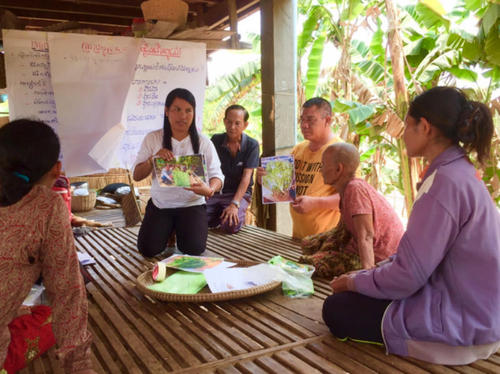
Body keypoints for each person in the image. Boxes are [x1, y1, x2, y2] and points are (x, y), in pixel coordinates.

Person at [324, 87, 500, 365]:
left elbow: (408, 277)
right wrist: (370, 275)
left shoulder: (442, 185)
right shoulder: (462, 172)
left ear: (425, 127)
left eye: (407, 124)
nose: (403, 132)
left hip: (460, 330)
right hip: (484, 318)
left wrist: (353, 281)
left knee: (336, 308)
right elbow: (418, 260)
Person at [0, 119, 94, 373]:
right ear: (57, 170)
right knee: (43, 318)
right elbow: (67, 292)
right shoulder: (47, 206)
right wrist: (79, 367)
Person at [133, 88, 224, 257]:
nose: (183, 116)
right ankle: (168, 231)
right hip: (161, 205)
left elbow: (217, 175)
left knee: (194, 249)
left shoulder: (204, 142)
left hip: (192, 205)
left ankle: (175, 231)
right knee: (148, 250)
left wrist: (209, 190)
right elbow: (137, 175)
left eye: (188, 110)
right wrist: (153, 159)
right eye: (177, 109)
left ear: (194, 113)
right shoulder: (153, 138)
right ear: (167, 111)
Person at [300, 143, 404, 277]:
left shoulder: (355, 190)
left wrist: (368, 276)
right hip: (359, 247)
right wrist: (325, 246)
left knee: (308, 264)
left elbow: (366, 234)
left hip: (381, 259)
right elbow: (342, 229)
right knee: (308, 244)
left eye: (323, 165)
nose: (321, 170)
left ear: (338, 169)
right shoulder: (348, 188)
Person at [257, 97, 341, 239]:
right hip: (298, 238)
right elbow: (283, 190)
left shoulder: (340, 151)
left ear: (327, 120)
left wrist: (316, 203)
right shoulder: (298, 150)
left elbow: (352, 198)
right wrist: (266, 181)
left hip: (327, 241)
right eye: (302, 120)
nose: (304, 125)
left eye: (310, 120)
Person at [207, 105, 259, 233]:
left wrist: (234, 204)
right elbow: (207, 168)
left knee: (230, 225)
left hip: (238, 194)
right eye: (229, 122)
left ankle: (224, 212)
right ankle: (218, 213)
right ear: (224, 121)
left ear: (245, 125)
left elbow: (246, 177)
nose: (232, 127)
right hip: (217, 192)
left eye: (237, 123)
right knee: (197, 220)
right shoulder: (216, 140)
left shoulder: (252, 145)